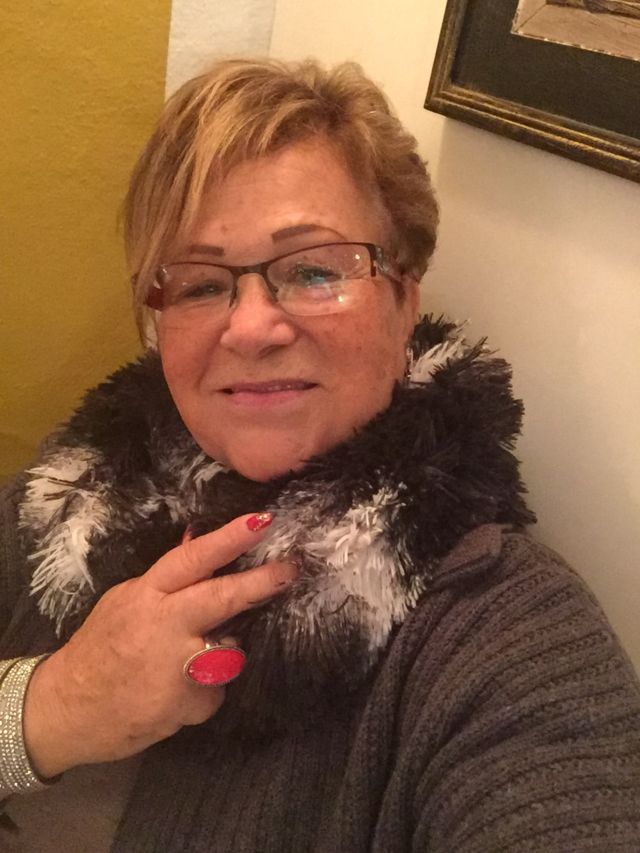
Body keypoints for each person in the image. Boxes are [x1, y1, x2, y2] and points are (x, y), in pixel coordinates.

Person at [1, 57, 639, 852]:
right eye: (200, 284)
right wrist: (51, 705)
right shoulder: (62, 505)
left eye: (312, 270)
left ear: (405, 299)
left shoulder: (506, 636)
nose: (250, 328)